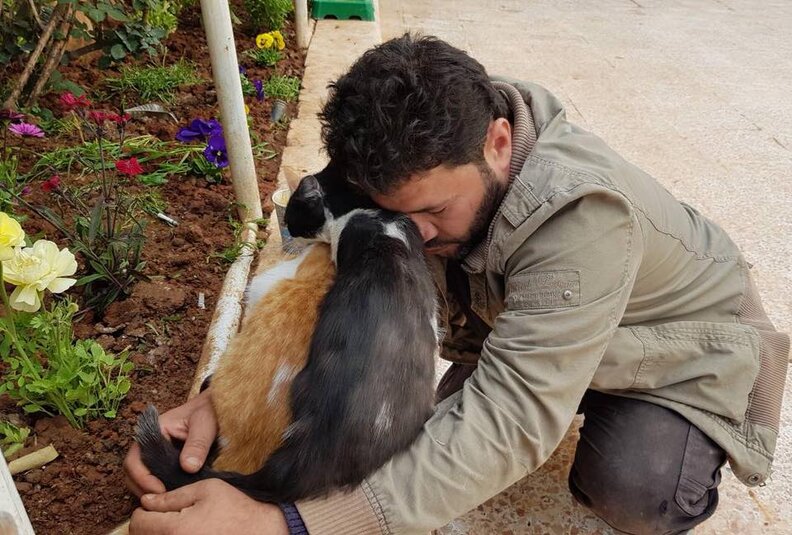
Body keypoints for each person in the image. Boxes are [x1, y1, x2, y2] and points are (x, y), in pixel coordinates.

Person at [125, 34, 789, 535]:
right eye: (397, 213)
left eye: (433, 214)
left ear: (499, 143)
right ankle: (560, 368)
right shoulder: (411, 149)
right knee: (401, 434)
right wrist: (227, 399)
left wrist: (285, 523)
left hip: (678, 352)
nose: (410, 234)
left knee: (632, 483)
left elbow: (514, 416)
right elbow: (324, 281)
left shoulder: (584, 221)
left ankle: (668, 453)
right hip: (558, 325)